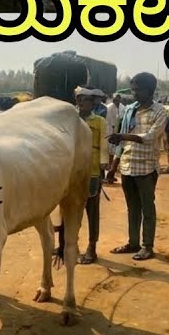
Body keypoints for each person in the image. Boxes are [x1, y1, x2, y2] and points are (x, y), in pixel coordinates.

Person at [109, 72, 169, 261]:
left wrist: (123, 136)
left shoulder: (160, 111)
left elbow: (150, 138)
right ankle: (133, 242)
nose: (134, 93)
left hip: (146, 168)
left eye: (138, 90)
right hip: (127, 167)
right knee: (132, 208)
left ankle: (147, 246)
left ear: (150, 91)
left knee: (147, 208)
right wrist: (114, 166)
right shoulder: (129, 110)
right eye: (133, 89)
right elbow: (121, 142)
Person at [75, 87, 109, 265]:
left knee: (92, 211)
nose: (81, 103)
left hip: (92, 170)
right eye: (79, 100)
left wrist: (104, 164)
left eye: (85, 100)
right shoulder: (72, 120)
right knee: (70, 210)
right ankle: (68, 244)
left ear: (92, 103)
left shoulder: (99, 121)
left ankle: (92, 247)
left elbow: (104, 143)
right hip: (72, 171)